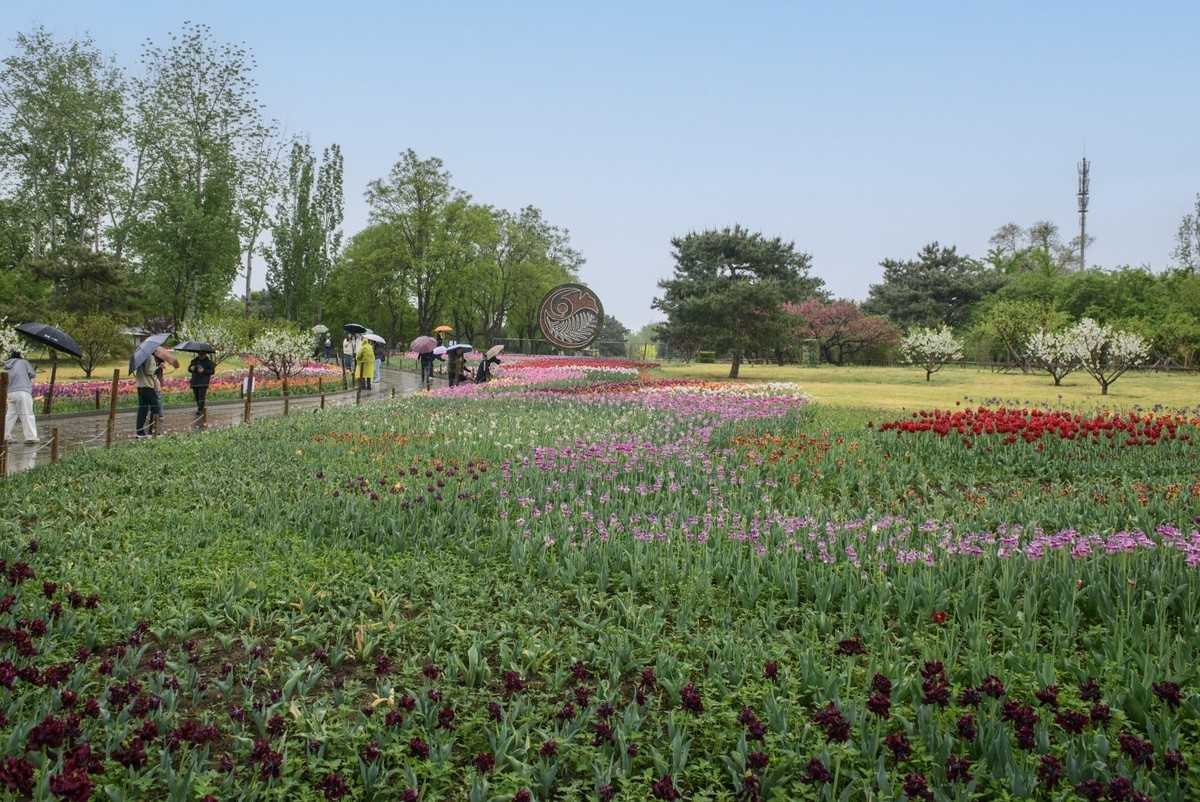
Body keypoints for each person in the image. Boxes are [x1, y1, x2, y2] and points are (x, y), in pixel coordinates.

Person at [2, 350, 38, 443]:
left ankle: (3, 436)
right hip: (23, 391)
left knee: (10, 415)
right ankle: (31, 437)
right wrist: (34, 370)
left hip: (11, 393)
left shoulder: (7, 366)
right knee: (27, 414)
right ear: (19, 356)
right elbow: (32, 374)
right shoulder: (24, 362)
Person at [187, 351, 215, 415]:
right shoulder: (194, 361)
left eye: (202, 353)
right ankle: (199, 407)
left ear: (205, 354)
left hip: (203, 382)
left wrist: (203, 371)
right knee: (196, 395)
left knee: (201, 395)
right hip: (195, 381)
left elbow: (212, 371)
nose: (201, 355)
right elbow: (189, 369)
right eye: (199, 353)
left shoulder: (209, 362)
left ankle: (200, 409)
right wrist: (191, 369)